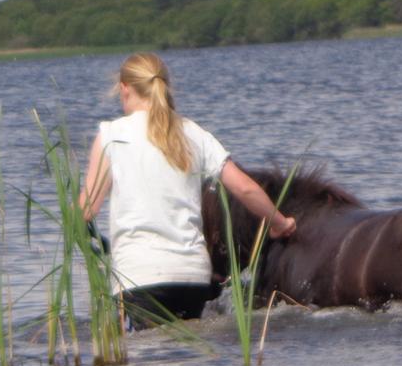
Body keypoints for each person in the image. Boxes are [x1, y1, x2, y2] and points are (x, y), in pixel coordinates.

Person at [79, 52, 296, 328]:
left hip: (139, 278)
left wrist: (73, 218)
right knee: (188, 362)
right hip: (192, 278)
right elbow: (244, 188)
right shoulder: (194, 133)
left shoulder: (111, 134)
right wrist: (280, 222)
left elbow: (88, 210)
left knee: (145, 364)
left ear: (124, 88)